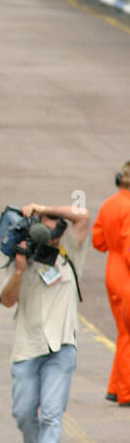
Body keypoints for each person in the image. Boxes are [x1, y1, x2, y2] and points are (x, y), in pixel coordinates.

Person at [0, 201, 90, 443]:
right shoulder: (21, 256)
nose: (45, 230)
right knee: (23, 414)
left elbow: (83, 216)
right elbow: (6, 300)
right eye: (40, 223)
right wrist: (19, 271)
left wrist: (43, 206)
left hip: (62, 346)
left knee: (51, 413)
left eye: (51, 223)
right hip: (28, 347)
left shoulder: (71, 251)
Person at [93, 161, 130, 406]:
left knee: (123, 331)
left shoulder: (109, 204)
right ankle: (126, 392)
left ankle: (116, 386)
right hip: (126, 273)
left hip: (112, 270)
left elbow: (98, 241)